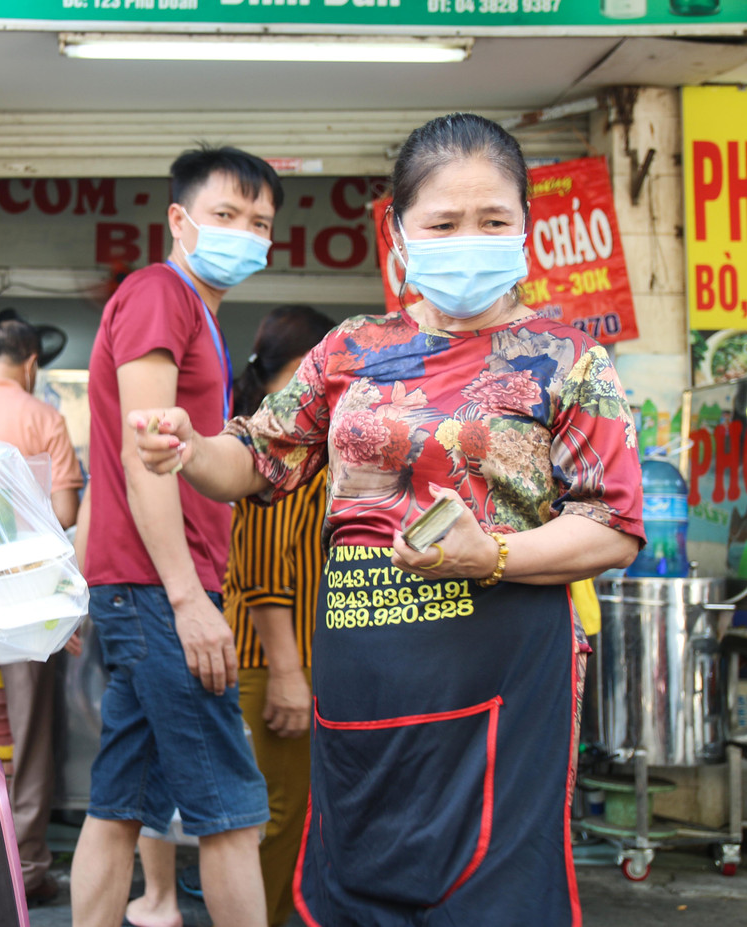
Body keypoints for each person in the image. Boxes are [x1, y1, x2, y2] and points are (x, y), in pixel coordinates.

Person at [130, 113, 643, 927]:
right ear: (402, 232)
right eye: (444, 222)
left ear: (525, 228)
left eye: (493, 220)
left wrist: (493, 552)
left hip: (504, 675)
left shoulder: (568, 359)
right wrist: (191, 449)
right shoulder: (351, 351)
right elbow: (256, 459)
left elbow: (613, 524)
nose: (469, 238)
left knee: (495, 891)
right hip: (365, 670)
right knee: (356, 876)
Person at [71, 146, 282, 927]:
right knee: (230, 807)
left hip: (141, 585)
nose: (246, 233)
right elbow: (141, 452)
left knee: (120, 801)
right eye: (226, 215)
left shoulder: (196, 313)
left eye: (260, 222)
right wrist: (189, 598)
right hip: (164, 588)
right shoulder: (162, 292)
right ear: (179, 220)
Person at [125, 305, 335, 927]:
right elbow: (266, 570)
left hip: (285, 656)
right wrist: (289, 674)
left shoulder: (291, 434)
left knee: (280, 814)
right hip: (271, 660)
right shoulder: (279, 443)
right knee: (269, 816)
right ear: (305, 367)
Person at [0, 317, 84, 905]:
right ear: (31, 362)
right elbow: (63, 511)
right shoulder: (43, 417)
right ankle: (28, 866)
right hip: (24, 599)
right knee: (30, 736)